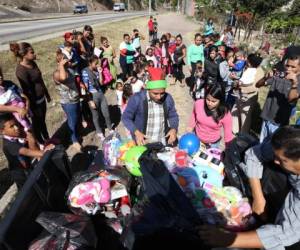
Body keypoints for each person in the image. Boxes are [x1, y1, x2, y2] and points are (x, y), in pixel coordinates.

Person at [199, 125, 300, 250]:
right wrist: (258, 196)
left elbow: (284, 234)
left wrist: (227, 239)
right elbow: (254, 154)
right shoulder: (286, 145)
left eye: (282, 160)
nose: (275, 161)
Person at [10, 42, 51, 145]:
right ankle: (41, 143)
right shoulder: (21, 71)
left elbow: (40, 79)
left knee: (42, 121)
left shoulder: (33, 63)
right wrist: (32, 106)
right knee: (37, 123)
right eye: (32, 52)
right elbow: (27, 91)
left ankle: (47, 139)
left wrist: (46, 94)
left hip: (41, 99)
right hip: (34, 103)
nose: (34, 54)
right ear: (24, 55)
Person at [0, 113, 54, 189]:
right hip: (20, 174)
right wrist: (44, 152)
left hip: (28, 167)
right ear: (2, 131)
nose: (16, 128)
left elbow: (33, 145)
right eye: (11, 126)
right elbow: (27, 152)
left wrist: (30, 137)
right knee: (29, 191)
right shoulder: (8, 144)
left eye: (16, 124)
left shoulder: (17, 134)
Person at [122, 78, 179, 146]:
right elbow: (126, 118)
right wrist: (136, 132)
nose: (159, 97)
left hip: (161, 142)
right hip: (142, 143)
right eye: (155, 93)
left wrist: (173, 129)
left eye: (162, 93)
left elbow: (173, 115)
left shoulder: (168, 98)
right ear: (148, 89)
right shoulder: (136, 99)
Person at [258, 54, 300, 142]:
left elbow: (291, 100)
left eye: (293, 67)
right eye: (287, 65)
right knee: (261, 144)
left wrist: (294, 83)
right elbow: (258, 85)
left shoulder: (298, 82)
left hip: (279, 123)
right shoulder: (279, 75)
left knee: (271, 150)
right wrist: (265, 78)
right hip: (266, 117)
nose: (289, 69)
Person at [187, 84, 233, 148]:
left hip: (212, 145)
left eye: (214, 101)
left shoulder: (225, 113)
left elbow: (228, 135)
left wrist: (229, 149)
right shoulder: (198, 103)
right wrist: (190, 126)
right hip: (196, 139)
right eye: (208, 99)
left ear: (220, 101)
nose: (209, 103)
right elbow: (194, 115)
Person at [53, 52, 81, 151]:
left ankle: (76, 135)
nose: (67, 60)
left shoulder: (69, 69)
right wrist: (61, 65)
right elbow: (63, 78)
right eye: (65, 59)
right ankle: (74, 141)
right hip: (68, 102)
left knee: (76, 119)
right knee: (72, 121)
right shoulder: (57, 73)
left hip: (75, 99)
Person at [82, 55, 113, 141]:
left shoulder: (96, 71)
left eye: (97, 63)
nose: (97, 65)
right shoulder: (85, 72)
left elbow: (101, 83)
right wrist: (90, 100)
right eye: (95, 64)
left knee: (106, 112)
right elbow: (85, 88)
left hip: (100, 93)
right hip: (92, 96)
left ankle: (110, 128)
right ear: (90, 63)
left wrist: (100, 72)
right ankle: (99, 132)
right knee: (96, 116)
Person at [231, 54, 264, 134]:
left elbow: (254, 87)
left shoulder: (259, 72)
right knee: (235, 112)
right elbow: (245, 81)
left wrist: (240, 87)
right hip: (240, 96)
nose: (246, 61)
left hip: (249, 98)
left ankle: (243, 135)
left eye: (248, 60)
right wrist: (237, 80)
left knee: (245, 117)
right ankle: (234, 131)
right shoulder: (249, 68)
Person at [0, 66, 31, 131]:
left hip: (23, 115)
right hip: (10, 125)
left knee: (31, 134)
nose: (0, 77)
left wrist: (27, 107)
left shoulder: (9, 83)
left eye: (0, 74)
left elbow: (22, 95)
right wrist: (17, 109)